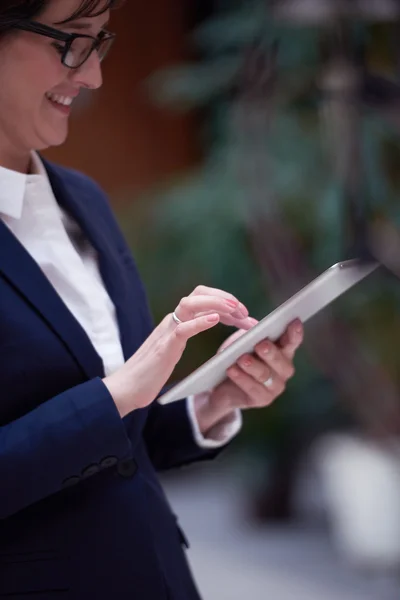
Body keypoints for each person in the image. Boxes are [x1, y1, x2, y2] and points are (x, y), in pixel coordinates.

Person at [0, 0, 303, 597]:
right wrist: (118, 394)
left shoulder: (83, 199)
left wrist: (210, 402)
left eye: (99, 42)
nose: (93, 76)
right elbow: (109, 406)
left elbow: (119, 445)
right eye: (71, 41)